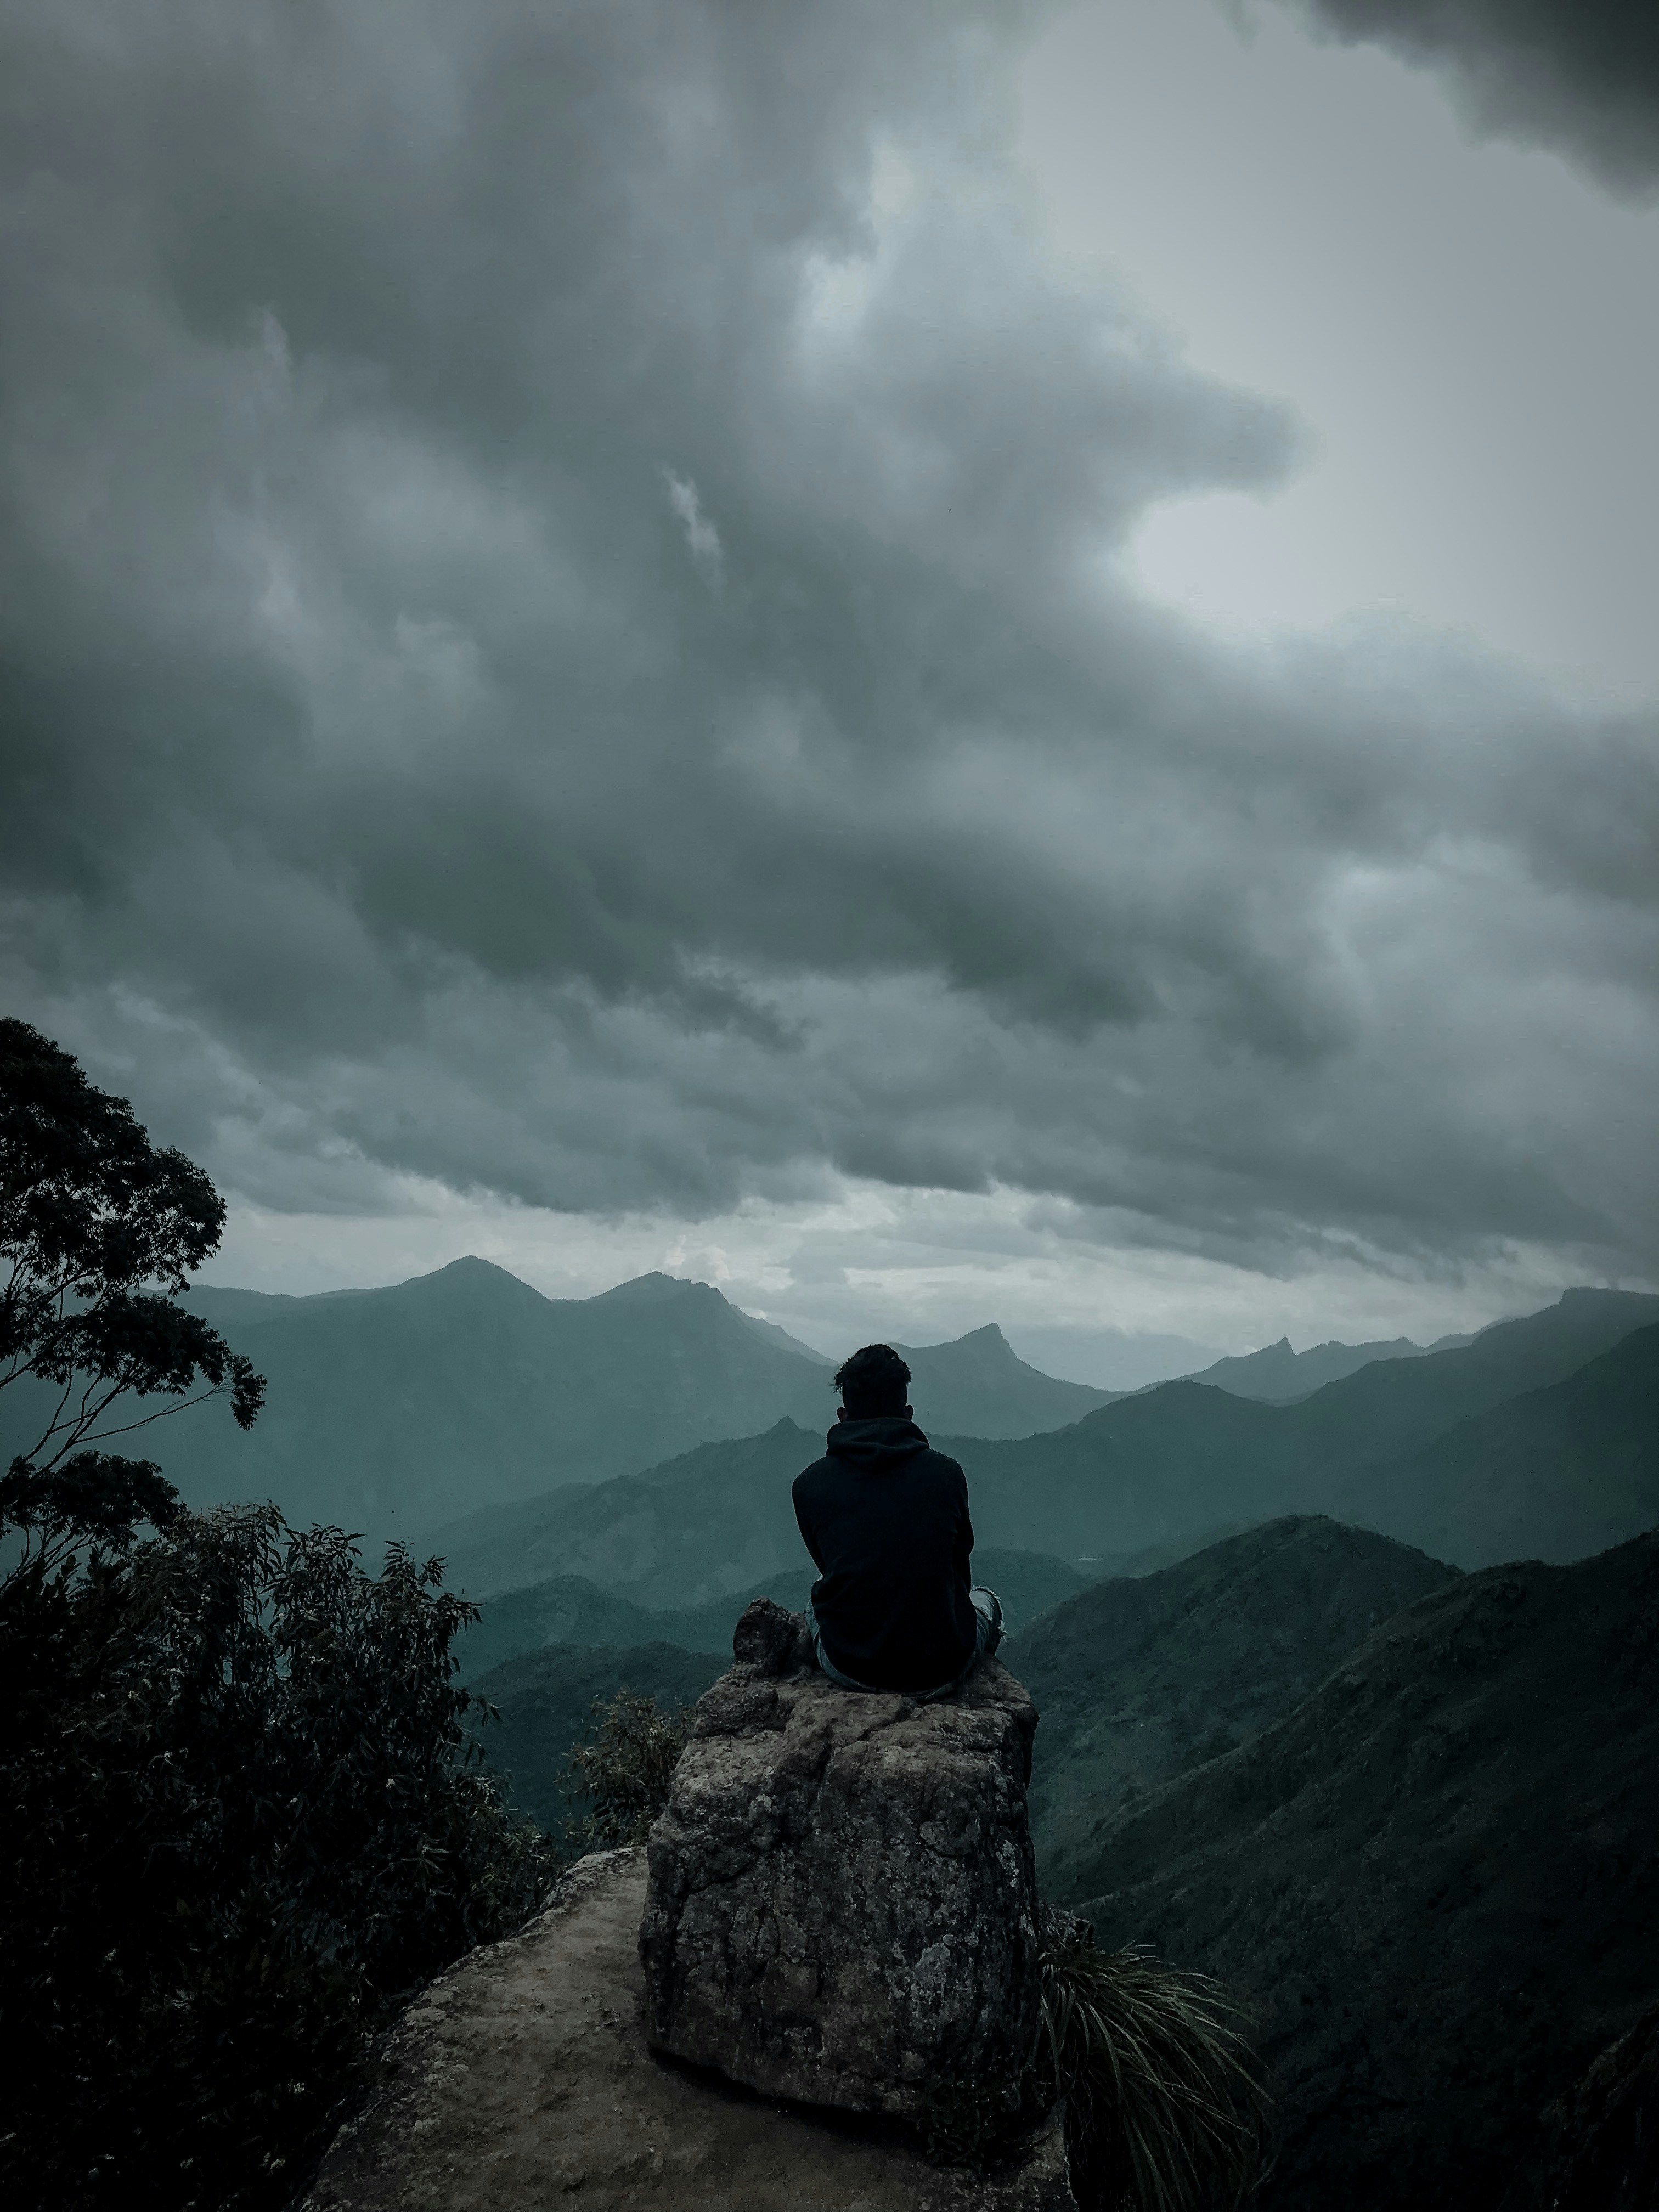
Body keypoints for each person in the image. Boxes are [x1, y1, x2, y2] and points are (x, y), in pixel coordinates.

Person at [791, 1342, 1002, 1698]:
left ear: (843, 1416)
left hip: (850, 1669)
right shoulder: (947, 1475)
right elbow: (958, 1573)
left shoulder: (808, 1486)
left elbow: (829, 1566)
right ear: (908, 1414)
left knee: (818, 1594)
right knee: (985, 1599)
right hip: (940, 1671)